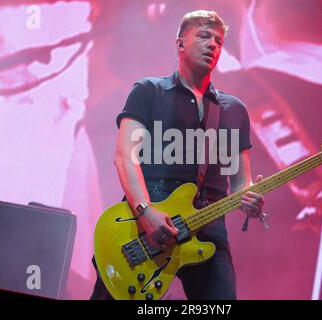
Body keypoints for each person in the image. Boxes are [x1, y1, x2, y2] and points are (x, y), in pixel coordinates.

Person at [91, 10, 265, 300]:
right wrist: (145, 212)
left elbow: (240, 183)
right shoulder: (149, 91)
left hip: (208, 225)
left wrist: (250, 199)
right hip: (145, 215)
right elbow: (125, 157)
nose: (213, 45)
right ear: (180, 44)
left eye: (219, 41)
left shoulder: (235, 110)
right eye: (204, 36)